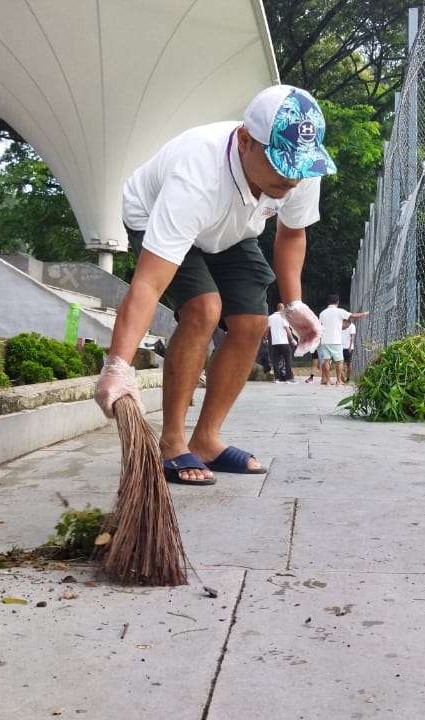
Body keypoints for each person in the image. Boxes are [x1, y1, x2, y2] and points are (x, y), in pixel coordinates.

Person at [94, 85, 334, 485]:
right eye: (281, 164)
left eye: (299, 167)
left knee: (252, 323)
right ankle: (172, 442)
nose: (291, 179)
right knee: (204, 309)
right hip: (158, 215)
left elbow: (292, 234)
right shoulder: (196, 176)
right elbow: (149, 285)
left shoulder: (301, 170)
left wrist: (293, 303)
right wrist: (118, 364)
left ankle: (206, 439)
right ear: (245, 141)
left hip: (232, 229)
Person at [317, 294, 369, 386]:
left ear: (328, 302)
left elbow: (320, 326)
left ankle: (328, 381)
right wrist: (364, 314)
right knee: (339, 361)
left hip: (324, 341)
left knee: (326, 361)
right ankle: (338, 381)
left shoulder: (322, 313)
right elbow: (352, 316)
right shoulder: (339, 311)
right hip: (336, 340)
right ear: (337, 302)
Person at [268, 302, 296, 383]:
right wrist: (292, 340)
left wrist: (266, 338)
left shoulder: (271, 317)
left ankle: (277, 378)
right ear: (283, 308)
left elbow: (268, 330)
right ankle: (289, 378)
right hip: (284, 342)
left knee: (275, 361)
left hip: (274, 343)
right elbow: (288, 331)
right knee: (288, 360)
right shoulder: (283, 317)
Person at [340, 318, 358, 383]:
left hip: (348, 348)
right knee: (340, 363)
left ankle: (348, 378)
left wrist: (350, 346)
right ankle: (342, 379)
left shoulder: (352, 326)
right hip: (340, 347)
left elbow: (352, 337)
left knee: (348, 364)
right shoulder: (340, 325)